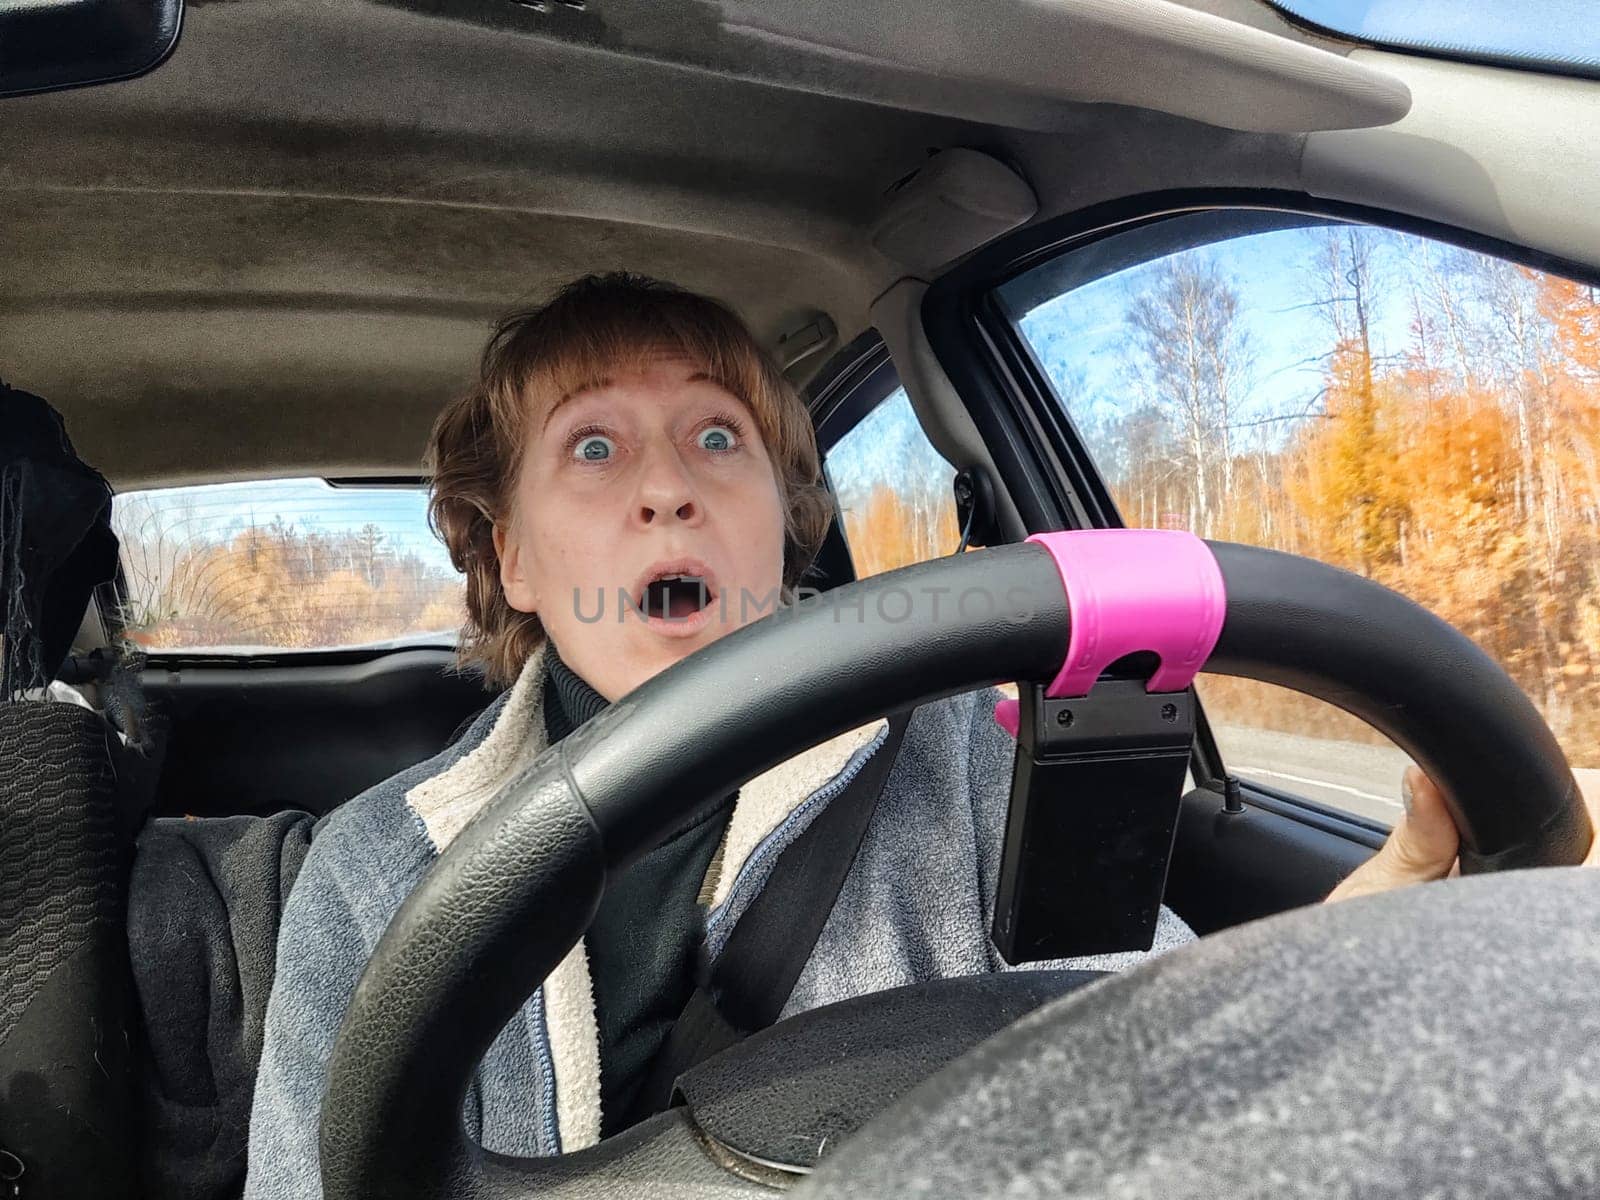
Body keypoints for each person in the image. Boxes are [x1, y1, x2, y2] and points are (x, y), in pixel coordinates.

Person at [242, 273, 1591, 1198]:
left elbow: (1164, 1062)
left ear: (783, 525)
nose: (666, 488)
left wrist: (1378, 927)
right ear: (514, 560)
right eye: (593, 449)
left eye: (719, 438)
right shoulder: (372, 872)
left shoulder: (963, 761)